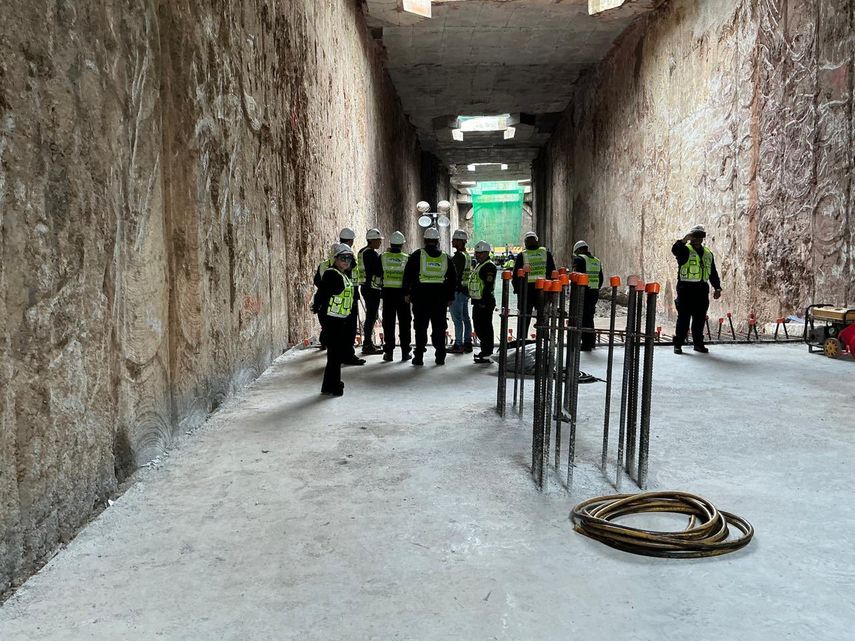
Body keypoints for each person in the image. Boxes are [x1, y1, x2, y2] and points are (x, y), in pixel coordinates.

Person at [402, 227, 456, 366]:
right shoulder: (446, 257)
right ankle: (440, 357)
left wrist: (406, 293)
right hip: (440, 299)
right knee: (439, 327)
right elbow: (453, 279)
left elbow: (407, 275)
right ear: (438, 241)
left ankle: (419, 357)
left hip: (420, 298)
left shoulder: (417, 255)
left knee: (420, 327)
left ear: (425, 240)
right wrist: (450, 297)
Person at [313, 244, 356, 396]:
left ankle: (328, 386)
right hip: (332, 320)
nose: (346, 261)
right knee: (335, 356)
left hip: (339, 319)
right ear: (335, 258)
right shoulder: (332, 274)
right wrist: (319, 309)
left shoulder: (343, 274)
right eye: (343, 258)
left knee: (334, 356)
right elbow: (322, 294)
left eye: (349, 258)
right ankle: (335, 386)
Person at [672, 224, 722, 354]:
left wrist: (717, 287)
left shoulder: (707, 253)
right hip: (685, 289)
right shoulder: (684, 250)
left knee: (699, 318)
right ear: (691, 237)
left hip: (701, 289)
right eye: (695, 236)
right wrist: (683, 240)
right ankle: (678, 344)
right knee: (683, 318)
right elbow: (675, 250)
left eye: (700, 236)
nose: (697, 239)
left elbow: (712, 272)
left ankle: (698, 344)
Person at [513, 231, 556, 340]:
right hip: (542, 289)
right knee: (543, 317)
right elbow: (552, 272)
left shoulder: (522, 255)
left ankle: (521, 341)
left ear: (525, 242)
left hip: (526, 291)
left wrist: (517, 290)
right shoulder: (545, 253)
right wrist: (551, 292)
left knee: (524, 317)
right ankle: (543, 341)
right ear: (537, 241)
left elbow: (516, 276)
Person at [380, 231, 412, 362]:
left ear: (391, 243)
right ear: (402, 245)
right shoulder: (406, 258)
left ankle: (389, 353)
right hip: (403, 295)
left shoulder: (383, 257)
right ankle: (405, 352)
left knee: (388, 323)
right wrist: (408, 294)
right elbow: (410, 278)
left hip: (388, 294)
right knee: (405, 323)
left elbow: (378, 273)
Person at [337, 227, 365, 365]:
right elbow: (349, 271)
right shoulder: (346, 254)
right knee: (349, 328)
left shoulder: (336, 252)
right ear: (350, 240)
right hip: (348, 297)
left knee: (342, 327)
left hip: (342, 296)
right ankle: (348, 355)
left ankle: (341, 354)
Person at [572, 240, 604, 351]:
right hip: (594, 291)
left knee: (582, 317)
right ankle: (591, 342)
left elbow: (577, 277)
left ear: (579, 250)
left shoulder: (579, 259)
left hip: (583, 292)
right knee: (589, 317)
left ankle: (586, 344)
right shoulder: (596, 260)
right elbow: (601, 278)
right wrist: (595, 288)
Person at [469, 241, 497, 364]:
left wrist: (483, 302)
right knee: (479, 327)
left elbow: (488, 286)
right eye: (476, 253)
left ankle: (487, 353)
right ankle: (485, 351)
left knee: (485, 328)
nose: (477, 255)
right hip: (478, 301)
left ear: (486, 253)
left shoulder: (489, 266)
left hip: (484, 302)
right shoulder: (480, 265)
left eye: (480, 253)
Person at [357, 228, 384, 355]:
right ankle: (367, 344)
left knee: (370, 315)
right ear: (372, 240)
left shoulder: (362, 251)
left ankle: (368, 343)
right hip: (372, 288)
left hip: (365, 286)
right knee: (371, 316)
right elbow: (378, 271)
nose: (380, 242)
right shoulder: (372, 254)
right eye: (378, 240)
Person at [449, 229, 473, 354]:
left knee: (457, 320)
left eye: (454, 240)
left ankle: (458, 344)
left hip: (457, 292)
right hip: (464, 291)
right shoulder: (467, 255)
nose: (452, 241)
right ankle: (467, 343)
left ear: (460, 241)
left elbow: (454, 276)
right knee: (465, 318)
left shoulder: (458, 256)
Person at [312, 243, 339, 349]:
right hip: (334, 298)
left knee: (325, 323)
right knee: (333, 323)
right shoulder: (341, 265)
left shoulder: (323, 265)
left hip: (323, 297)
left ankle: (324, 342)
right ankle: (330, 343)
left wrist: (323, 288)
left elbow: (316, 280)